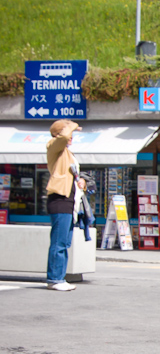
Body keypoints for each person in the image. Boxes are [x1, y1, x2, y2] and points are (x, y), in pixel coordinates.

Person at [45, 119, 84, 292]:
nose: (72, 138)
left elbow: (71, 176)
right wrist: (71, 126)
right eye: (70, 134)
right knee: (58, 242)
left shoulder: (67, 152)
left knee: (65, 242)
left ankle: (59, 277)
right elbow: (63, 137)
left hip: (69, 200)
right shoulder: (54, 146)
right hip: (59, 199)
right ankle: (54, 279)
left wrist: (80, 181)